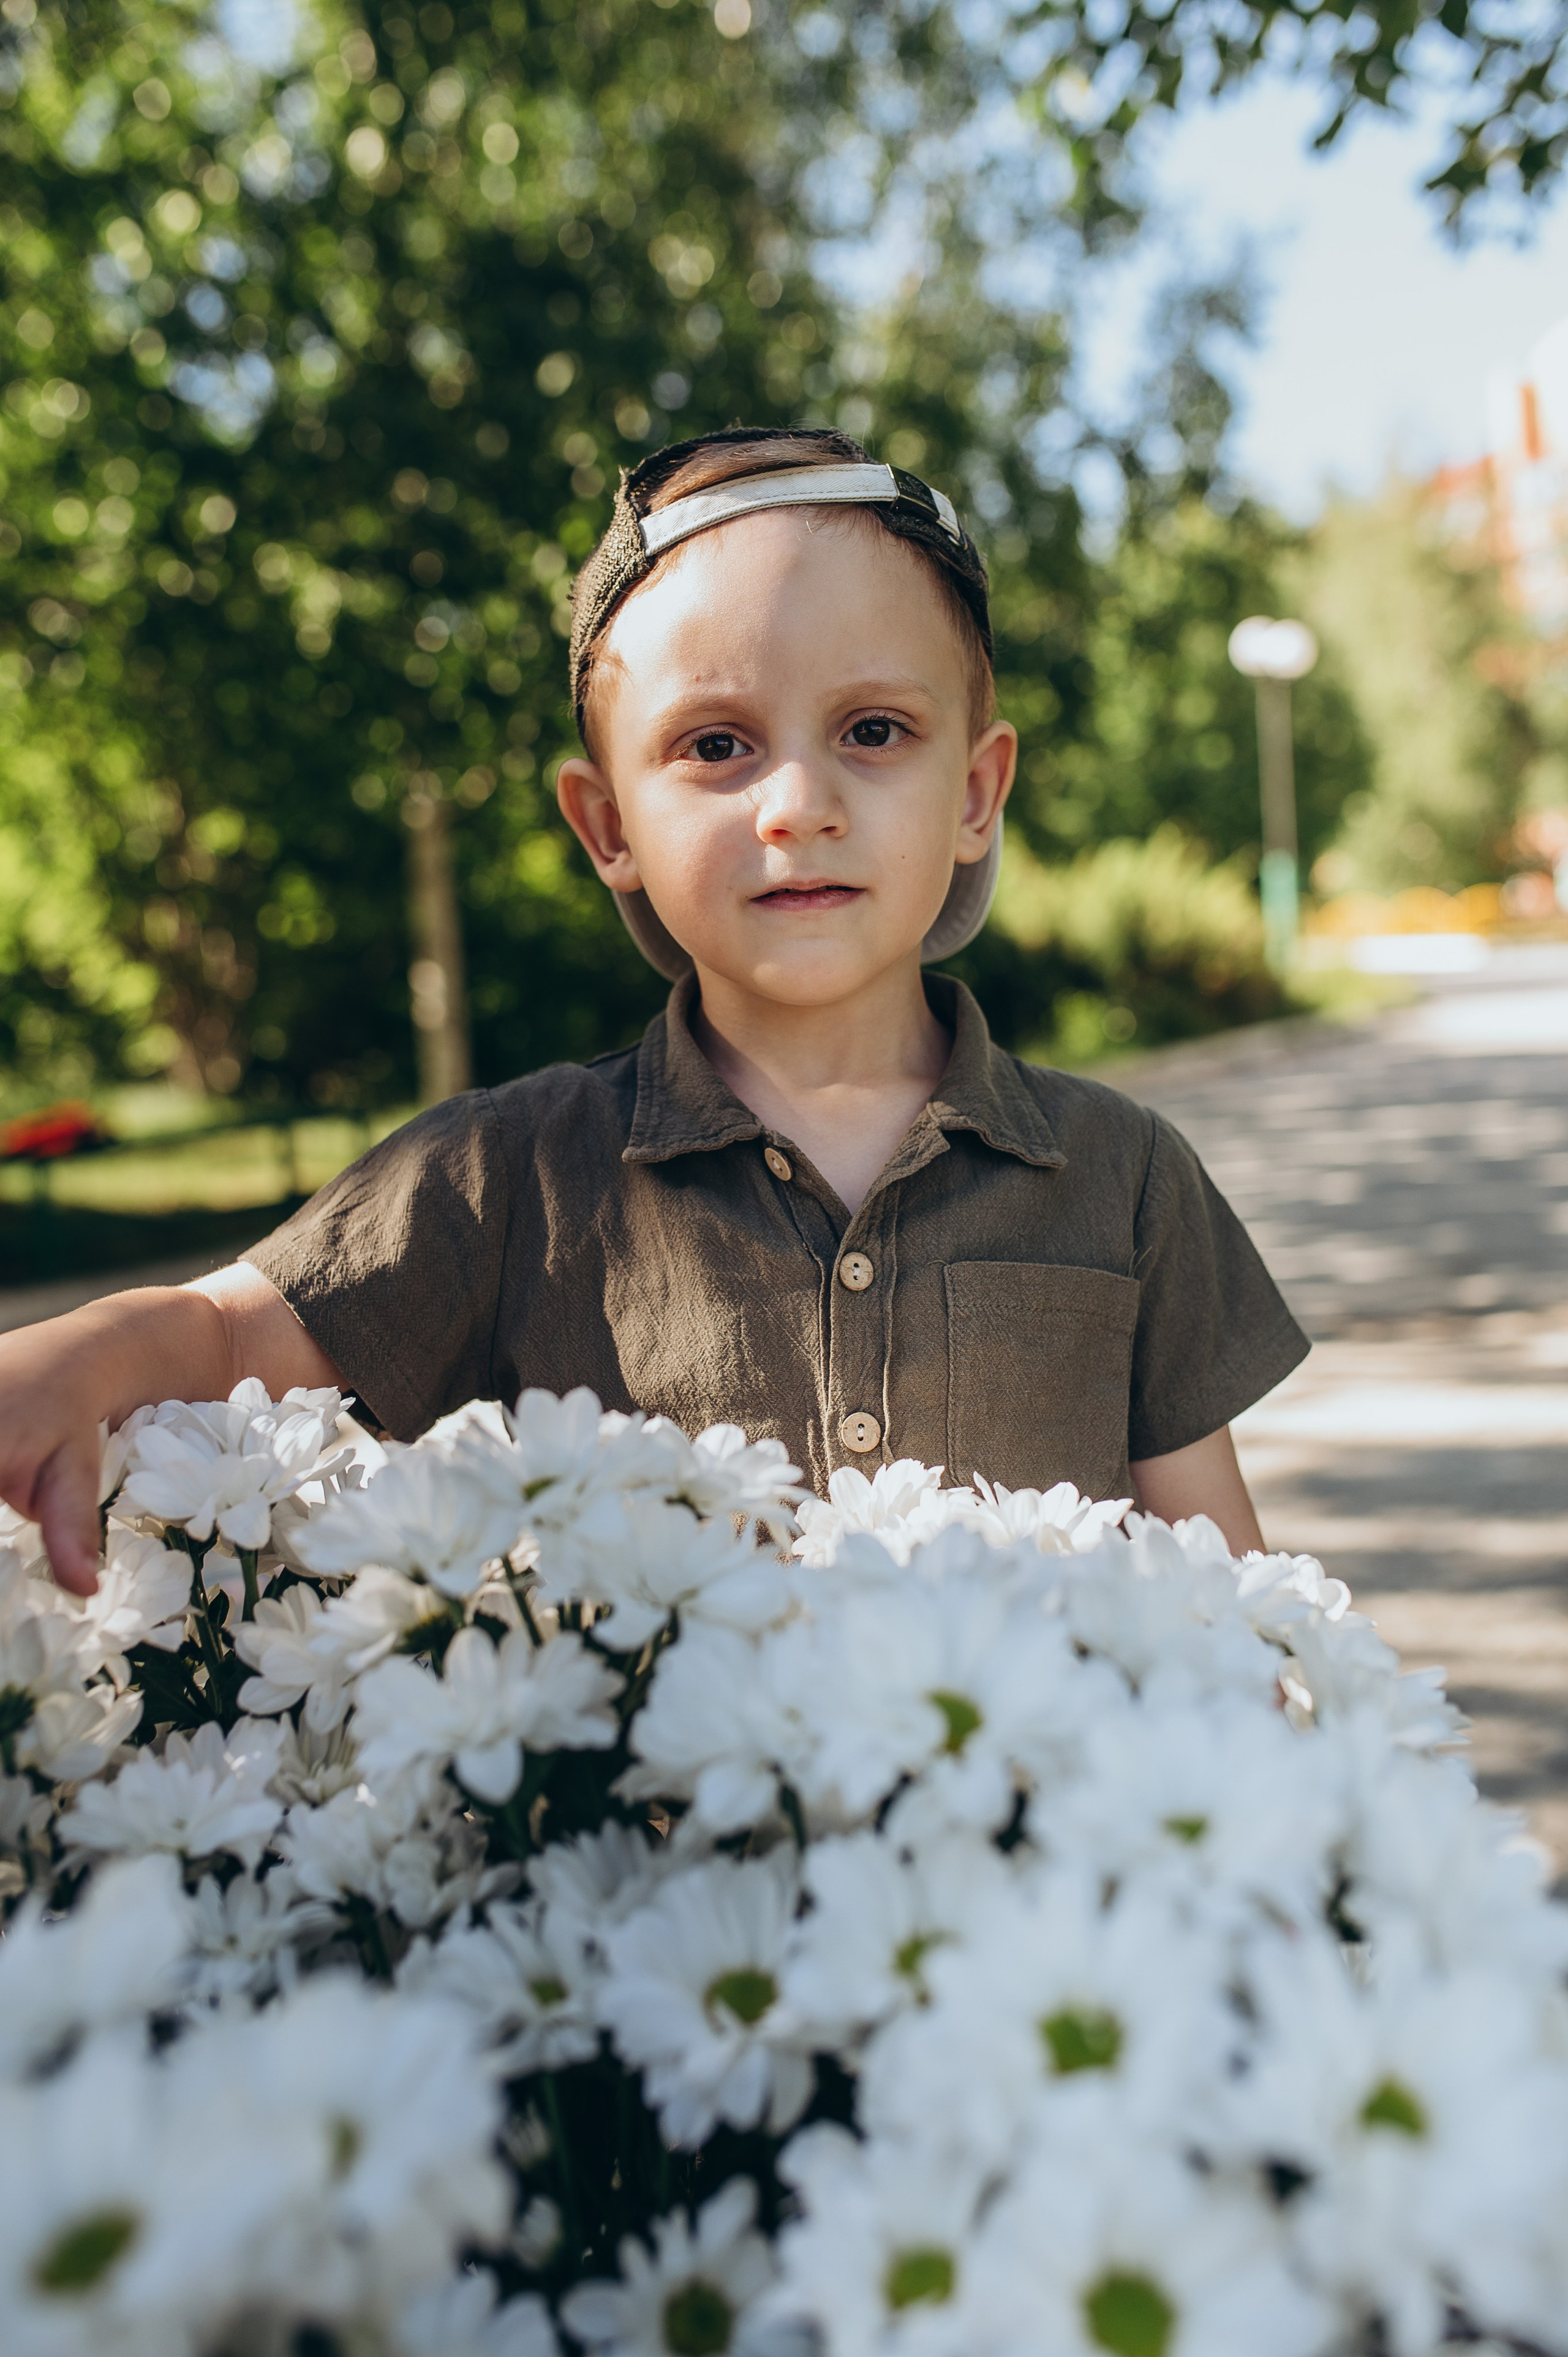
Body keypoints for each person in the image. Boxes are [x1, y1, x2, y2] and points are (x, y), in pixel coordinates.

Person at [0, 426, 1307, 1597]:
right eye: (716, 745)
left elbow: (1230, 1606)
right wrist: (73, 1357)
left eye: (871, 730)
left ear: (975, 793)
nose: (798, 805)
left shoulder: (1123, 1175)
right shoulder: (508, 1177)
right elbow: (231, 1325)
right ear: (609, 825)